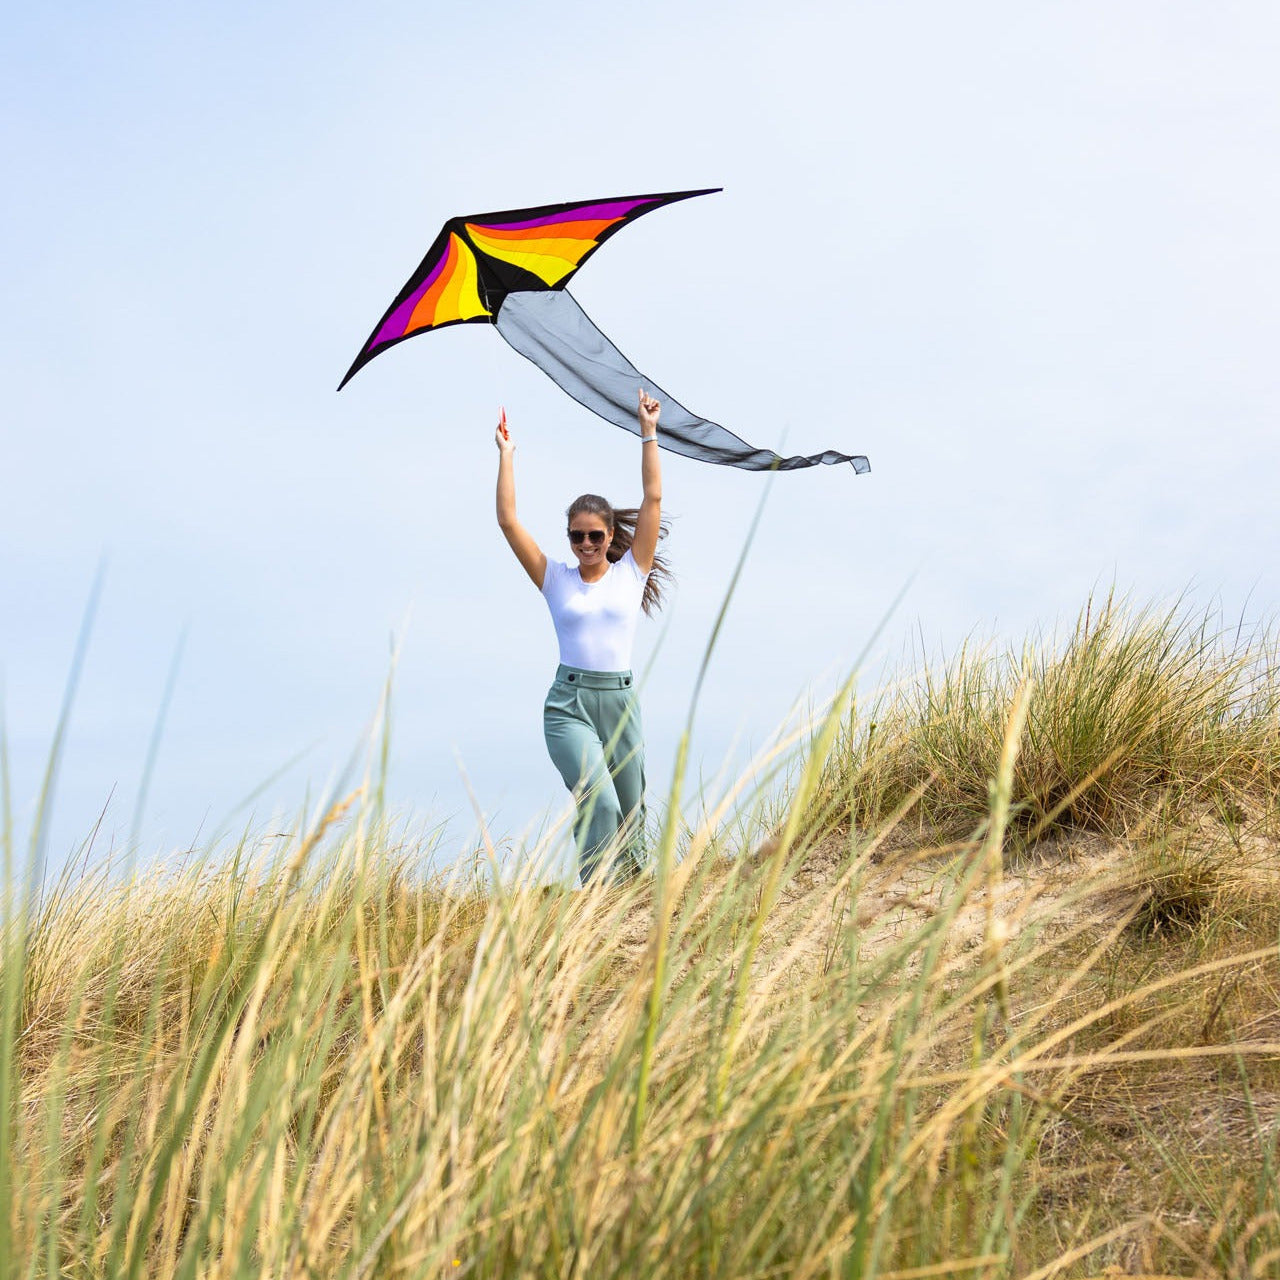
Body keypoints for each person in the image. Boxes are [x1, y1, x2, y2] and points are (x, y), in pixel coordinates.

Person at [495, 389, 671, 884]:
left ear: (612, 535)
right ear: (568, 537)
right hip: (568, 704)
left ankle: (631, 900)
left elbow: (652, 498)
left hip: (619, 701)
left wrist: (649, 432)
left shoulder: (632, 571)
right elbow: (509, 522)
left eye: (596, 535)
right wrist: (508, 456)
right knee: (600, 798)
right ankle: (596, 897)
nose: (587, 544)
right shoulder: (555, 579)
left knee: (631, 811)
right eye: (577, 535)